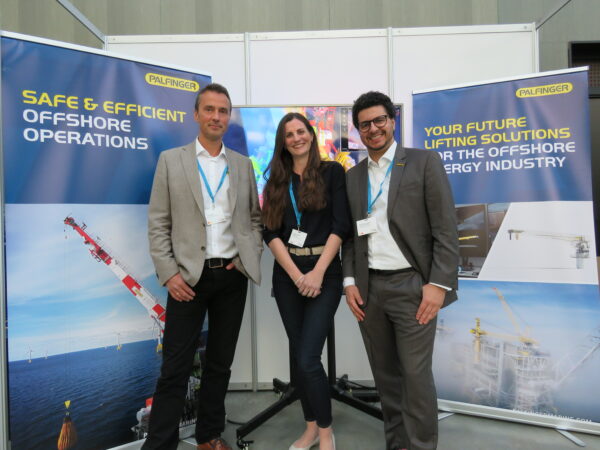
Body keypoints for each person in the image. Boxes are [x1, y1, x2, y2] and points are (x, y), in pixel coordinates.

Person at [144, 83, 262, 450]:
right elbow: (158, 223)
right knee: (175, 369)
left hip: (230, 276)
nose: (216, 117)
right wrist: (169, 274)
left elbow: (254, 221)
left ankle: (208, 435)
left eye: (223, 111)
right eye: (209, 109)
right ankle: (159, 444)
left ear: (228, 117)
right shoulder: (171, 160)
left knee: (220, 365)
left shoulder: (242, 165)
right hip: (186, 279)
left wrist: (245, 260)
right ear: (196, 114)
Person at [342, 91, 459, 450]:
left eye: (380, 120)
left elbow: (445, 228)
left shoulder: (424, 162)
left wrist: (437, 284)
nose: (373, 129)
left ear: (392, 121)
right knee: (387, 379)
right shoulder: (354, 176)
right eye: (365, 124)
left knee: (415, 377)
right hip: (369, 290)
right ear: (358, 131)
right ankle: (397, 444)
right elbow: (350, 236)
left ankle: (422, 445)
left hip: (414, 287)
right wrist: (349, 282)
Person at [262, 112, 351, 450]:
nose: (296, 138)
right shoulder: (275, 180)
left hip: (325, 272)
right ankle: (311, 427)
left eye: (301, 131)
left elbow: (340, 225)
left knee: (309, 358)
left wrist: (316, 273)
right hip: (288, 275)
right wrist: (297, 274)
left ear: (311, 135)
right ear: (282, 142)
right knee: (300, 356)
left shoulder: (332, 172)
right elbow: (269, 232)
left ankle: (327, 433)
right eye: (289, 134)